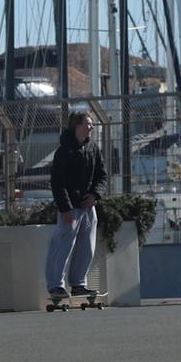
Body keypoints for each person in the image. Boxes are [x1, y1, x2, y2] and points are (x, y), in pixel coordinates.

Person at [45, 110, 108, 299]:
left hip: (88, 207)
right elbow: (58, 182)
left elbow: (102, 176)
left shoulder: (93, 149)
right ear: (77, 126)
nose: (91, 127)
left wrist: (95, 195)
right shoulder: (64, 152)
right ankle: (55, 285)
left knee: (86, 246)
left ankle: (79, 283)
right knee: (62, 245)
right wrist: (65, 208)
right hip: (70, 208)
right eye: (87, 123)